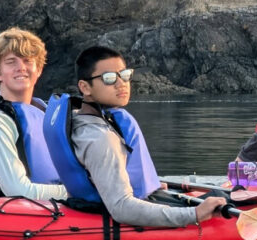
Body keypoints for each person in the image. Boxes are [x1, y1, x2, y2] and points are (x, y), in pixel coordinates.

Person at [45, 45, 225, 227]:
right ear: (85, 87)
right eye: (109, 78)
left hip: (124, 199)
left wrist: (147, 183)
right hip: (122, 214)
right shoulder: (100, 139)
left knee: (221, 196)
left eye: (124, 75)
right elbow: (121, 207)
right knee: (223, 199)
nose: (120, 83)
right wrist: (195, 214)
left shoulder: (82, 118)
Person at [0, 27, 68, 200]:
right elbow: (18, 191)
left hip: (54, 207)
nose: (21, 68)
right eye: (11, 62)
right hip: (14, 213)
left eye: (27, 61)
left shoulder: (43, 111)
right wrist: (78, 194)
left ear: (39, 69)